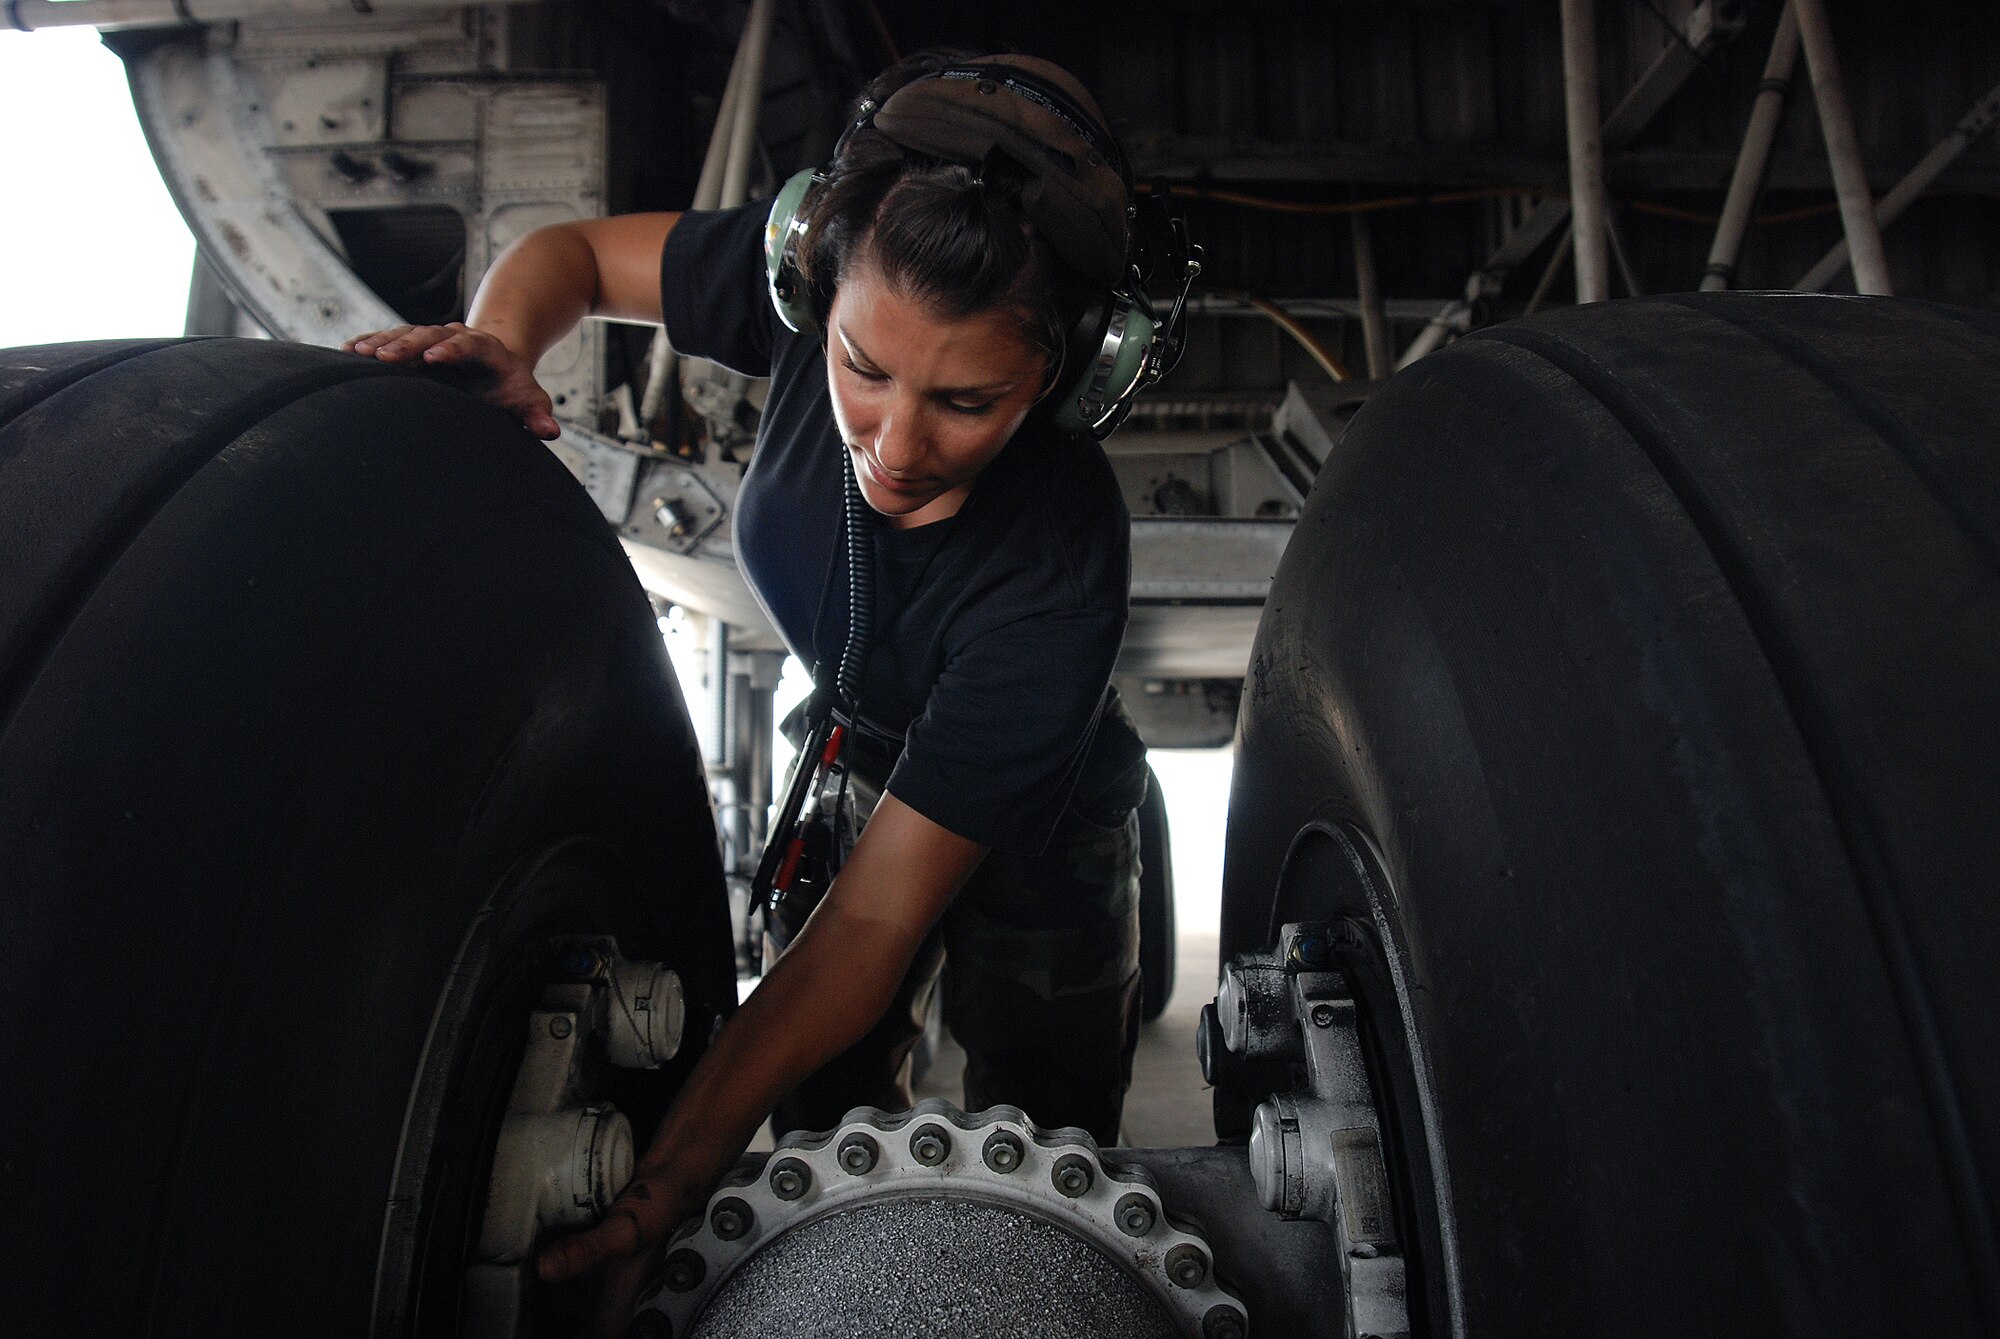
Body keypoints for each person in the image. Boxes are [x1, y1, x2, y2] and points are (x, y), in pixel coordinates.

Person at [344, 50, 1192, 1330]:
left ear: (1070, 378)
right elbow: (565, 254)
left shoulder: (1057, 581)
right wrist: (499, 344)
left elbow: (870, 925)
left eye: (967, 402)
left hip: (1047, 821)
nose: (893, 447)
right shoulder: (798, 288)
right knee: (821, 1121)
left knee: (1049, 1136)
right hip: (853, 744)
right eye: (864, 367)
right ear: (813, 289)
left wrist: (678, 1173)